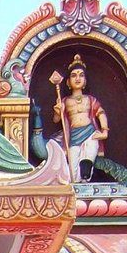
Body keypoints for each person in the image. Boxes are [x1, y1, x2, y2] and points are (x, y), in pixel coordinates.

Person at [52, 54, 108, 182]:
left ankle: (86, 179)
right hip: (74, 136)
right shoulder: (64, 101)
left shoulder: (90, 99)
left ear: (85, 82)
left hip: (90, 133)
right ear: (68, 82)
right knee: (73, 171)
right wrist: (57, 111)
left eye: (81, 75)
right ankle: (78, 187)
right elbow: (56, 120)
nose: (78, 78)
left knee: (87, 160)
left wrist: (104, 131)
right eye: (74, 75)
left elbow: (101, 113)